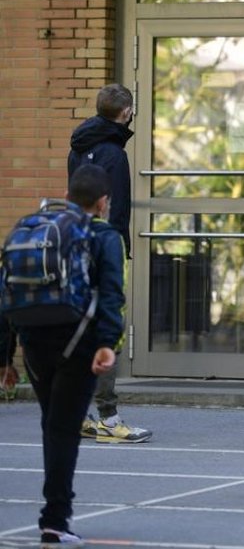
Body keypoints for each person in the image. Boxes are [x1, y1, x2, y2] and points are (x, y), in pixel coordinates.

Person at [0, 164, 126, 547]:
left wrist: (5, 357)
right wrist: (108, 342)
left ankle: (55, 515)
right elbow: (110, 293)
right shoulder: (103, 235)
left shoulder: (32, 228)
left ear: (69, 195)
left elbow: (6, 290)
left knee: (52, 424)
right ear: (103, 202)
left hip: (34, 341)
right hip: (80, 343)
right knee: (63, 429)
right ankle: (55, 519)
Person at [68, 83, 151, 444]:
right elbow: (113, 208)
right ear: (126, 113)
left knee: (81, 328)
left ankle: (78, 412)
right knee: (108, 329)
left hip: (76, 241)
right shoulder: (114, 154)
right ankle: (108, 417)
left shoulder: (80, 146)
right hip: (104, 246)